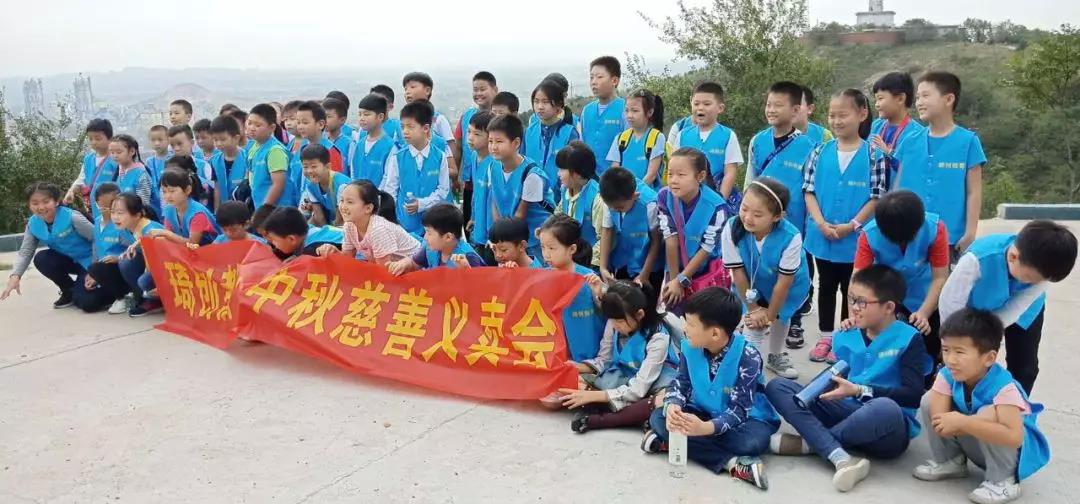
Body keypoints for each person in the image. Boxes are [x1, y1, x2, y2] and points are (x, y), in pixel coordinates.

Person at [766, 265, 931, 493]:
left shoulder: (909, 338)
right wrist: (820, 391)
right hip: (846, 410)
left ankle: (813, 444)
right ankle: (836, 452)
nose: (854, 308)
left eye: (862, 302)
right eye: (852, 299)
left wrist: (860, 390)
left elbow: (912, 395)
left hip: (885, 428)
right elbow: (838, 374)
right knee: (778, 387)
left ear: (888, 307)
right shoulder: (847, 334)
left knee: (886, 408)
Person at [643, 287, 778, 490]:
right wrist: (673, 405)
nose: (685, 328)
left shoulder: (748, 357)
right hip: (702, 410)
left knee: (751, 443)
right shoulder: (689, 346)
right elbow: (681, 382)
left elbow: (740, 409)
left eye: (690, 324)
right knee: (658, 418)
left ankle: (673, 443)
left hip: (746, 419)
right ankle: (732, 463)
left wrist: (704, 428)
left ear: (714, 333)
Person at [914, 308, 1050, 504]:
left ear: (989, 358)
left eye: (960, 352)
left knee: (990, 412)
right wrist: (959, 422)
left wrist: (965, 422)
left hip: (1011, 455)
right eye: (946, 349)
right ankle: (950, 461)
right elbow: (940, 422)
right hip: (979, 443)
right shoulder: (948, 373)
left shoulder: (1004, 387)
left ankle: (1004, 481)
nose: (950, 359)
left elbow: (1014, 437)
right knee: (929, 399)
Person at [939, 220, 1077, 394]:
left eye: (1041, 280)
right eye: (1030, 279)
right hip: (973, 310)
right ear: (1013, 257)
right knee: (970, 360)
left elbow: (1015, 308)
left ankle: (1016, 406)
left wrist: (987, 334)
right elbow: (950, 301)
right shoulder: (977, 259)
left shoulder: (1042, 275)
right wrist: (955, 338)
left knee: (1025, 367)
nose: (1034, 283)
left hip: (1024, 313)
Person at [802, 89, 884, 363]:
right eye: (832, 115)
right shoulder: (819, 151)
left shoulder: (873, 155)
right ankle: (826, 337)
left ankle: (846, 340)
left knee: (854, 289)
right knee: (825, 285)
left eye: (843, 115)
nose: (836, 121)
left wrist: (853, 224)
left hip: (856, 239)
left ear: (862, 114)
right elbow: (809, 191)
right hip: (822, 235)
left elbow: (877, 196)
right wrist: (820, 223)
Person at [746, 81, 819, 350]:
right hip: (759, 223)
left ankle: (794, 321)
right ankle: (760, 316)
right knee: (760, 270)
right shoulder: (758, 141)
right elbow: (751, 179)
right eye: (769, 104)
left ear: (796, 110)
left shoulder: (810, 146)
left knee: (795, 276)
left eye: (778, 105)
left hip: (794, 224)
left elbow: (811, 189)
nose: (771, 110)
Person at [853, 190, 950, 382]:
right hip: (887, 293)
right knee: (881, 340)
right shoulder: (869, 235)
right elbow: (858, 281)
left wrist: (924, 312)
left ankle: (929, 379)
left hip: (926, 292)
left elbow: (940, 277)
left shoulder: (935, 228)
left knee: (928, 341)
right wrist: (856, 316)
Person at [558, 281, 678, 433]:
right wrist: (574, 367)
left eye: (620, 321)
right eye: (611, 320)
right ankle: (634, 413)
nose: (615, 325)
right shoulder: (613, 322)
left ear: (640, 314)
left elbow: (639, 387)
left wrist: (594, 395)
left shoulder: (658, 337)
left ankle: (600, 419)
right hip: (621, 377)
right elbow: (604, 360)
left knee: (664, 400)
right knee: (571, 380)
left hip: (654, 383)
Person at [721, 177, 810, 379]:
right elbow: (738, 272)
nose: (748, 218)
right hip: (751, 282)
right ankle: (749, 367)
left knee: (781, 317)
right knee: (752, 325)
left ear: (777, 216)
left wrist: (768, 317)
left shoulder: (791, 237)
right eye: (744, 208)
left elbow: (783, 284)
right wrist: (754, 310)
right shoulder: (732, 228)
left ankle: (775, 355)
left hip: (786, 286)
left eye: (758, 214)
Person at [894, 71, 985, 258]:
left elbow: (974, 192)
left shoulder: (968, 142)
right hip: (909, 236)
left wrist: (970, 233)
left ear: (948, 99)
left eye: (925, 96)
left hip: (950, 239)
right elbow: (896, 189)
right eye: (917, 97)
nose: (919, 102)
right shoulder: (909, 142)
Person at [3, 183, 95, 309]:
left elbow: (97, 240)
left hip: (91, 261)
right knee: (42, 258)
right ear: (29, 205)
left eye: (46, 202)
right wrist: (15, 276)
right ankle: (69, 290)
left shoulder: (73, 217)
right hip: (69, 261)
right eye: (35, 203)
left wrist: (95, 270)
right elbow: (26, 251)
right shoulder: (33, 224)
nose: (41, 207)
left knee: (88, 303)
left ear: (56, 202)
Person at [658, 148, 728, 311]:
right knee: (672, 312)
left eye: (681, 175)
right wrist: (674, 281)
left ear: (700, 176)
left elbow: (707, 248)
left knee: (703, 316)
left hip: (705, 271)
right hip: (674, 267)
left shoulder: (717, 206)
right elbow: (670, 239)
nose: (673, 180)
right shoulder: (664, 197)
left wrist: (682, 280)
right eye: (670, 174)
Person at [484, 114, 555, 259]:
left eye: (499, 141)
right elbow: (495, 202)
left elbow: (520, 215)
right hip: (510, 237)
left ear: (516, 143)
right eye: (490, 141)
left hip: (535, 240)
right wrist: (498, 235)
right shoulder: (492, 167)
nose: (493, 147)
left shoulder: (531, 175)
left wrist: (503, 239)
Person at [539, 214, 605, 362]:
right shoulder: (542, 277)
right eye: (542, 247)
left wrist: (599, 296)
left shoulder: (589, 279)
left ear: (572, 249)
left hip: (587, 358)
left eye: (552, 248)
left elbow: (608, 315)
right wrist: (512, 273)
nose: (546, 254)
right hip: (555, 356)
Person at [381, 100, 452, 235]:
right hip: (404, 225)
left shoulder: (439, 156)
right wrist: (391, 220)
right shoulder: (397, 157)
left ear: (425, 128)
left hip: (433, 226)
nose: (405, 132)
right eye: (402, 127)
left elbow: (443, 190)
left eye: (410, 127)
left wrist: (422, 204)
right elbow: (391, 190)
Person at [670, 82, 743, 203]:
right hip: (685, 199)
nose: (700, 108)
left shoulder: (728, 135)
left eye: (707, 104)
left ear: (720, 108)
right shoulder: (682, 135)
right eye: (696, 103)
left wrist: (720, 201)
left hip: (714, 198)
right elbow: (673, 168)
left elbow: (730, 172)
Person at [318, 181, 421, 264]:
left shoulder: (378, 229)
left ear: (368, 208)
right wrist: (333, 252)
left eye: (350, 202)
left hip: (418, 269)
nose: (343, 206)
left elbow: (383, 272)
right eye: (341, 200)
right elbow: (348, 261)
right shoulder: (349, 225)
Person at [598, 166, 662, 290]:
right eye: (611, 207)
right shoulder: (610, 199)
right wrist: (603, 267)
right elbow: (607, 230)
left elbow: (656, 241)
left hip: (648, 266)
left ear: (635, 196)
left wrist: (644, 274)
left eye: (619, 208)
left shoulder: (650, 205)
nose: (614, 210)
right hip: (623, 261)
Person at [388, 203, 485, 274]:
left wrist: (466, 270)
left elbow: (480, 287)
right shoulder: (430, 248)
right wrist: (403, 264)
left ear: (448, 237)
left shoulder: (469, 257)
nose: (425, 237)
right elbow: (414, 263)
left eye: (429, 233)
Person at [112, 192, 166, 316]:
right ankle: (148, 300)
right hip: (150, 263)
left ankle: (159, 298)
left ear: (137, 215)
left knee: (143, 282)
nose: (115, 217)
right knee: (125, 261)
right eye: (113, 212)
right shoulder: (125, 228)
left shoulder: (150, 230)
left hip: (165, 266)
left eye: (120, 213)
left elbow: (163, 257)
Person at [524, 79, 581, 196]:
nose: (540, 107)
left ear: (559, 105)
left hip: (560, 197)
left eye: (545, 102)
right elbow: (522, 163)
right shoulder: (529, 131)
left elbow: (573, 169)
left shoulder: (569, 133)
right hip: (531, 197)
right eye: (536, 101)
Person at [83, 183, 132, 314]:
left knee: (97, 268)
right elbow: (95, 247)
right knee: (86, 303)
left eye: (113, 206)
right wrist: (93, 275)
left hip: (121, 268)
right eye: (104, 206)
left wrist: (118, 258)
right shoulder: (97, 222)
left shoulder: (124, 223)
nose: (110, 210)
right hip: (102, 271)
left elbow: (135, 249)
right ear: (97, 203)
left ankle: (123, 297)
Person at [870, 71, 923, 188]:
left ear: (900, 99)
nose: (877, 104)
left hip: (900, 195)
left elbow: (914, 171)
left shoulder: (917, 133)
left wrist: (888, 152)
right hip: (873, 195)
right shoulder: (875, 126)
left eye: (880, 99)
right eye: (876, 100)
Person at [555, 142, 604, 268]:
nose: (558, 174)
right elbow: (557, 218)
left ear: (576, 173)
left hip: (590, 267)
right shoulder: (565, 191)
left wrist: (589, 264)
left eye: (562, 169)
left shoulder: (597, 198)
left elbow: (605, 238)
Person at [608, 88, 667, 188]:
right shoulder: (620, 138)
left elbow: (651, 175)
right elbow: (614, 171)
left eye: (635, 111)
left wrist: (633, 192)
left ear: (650, 112)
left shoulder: (657, 137)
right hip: (624, 194)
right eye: (627, 110)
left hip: (647, 195)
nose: (629, 115)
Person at [455, 71, 498, 200]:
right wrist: (455, 177)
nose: (478, 93)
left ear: (495, 90)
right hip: (470, 180)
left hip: (494, 181)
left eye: (483, 89)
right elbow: (458, 148)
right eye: (475, 90)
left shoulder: (500, 118)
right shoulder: (466, 116)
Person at [246, 103, 298, 207]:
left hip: (277, 209)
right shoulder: (253, 147)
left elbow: (278, 184)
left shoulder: (275, 151)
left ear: (272, 127)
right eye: (249, 123)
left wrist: (265, 208)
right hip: (260, 205)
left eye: (258, 125)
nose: (251, 128)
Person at [581, 56, 627, 173]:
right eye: (591, 77)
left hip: (616, 177)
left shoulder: (626, 109)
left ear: (614, 81)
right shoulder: (587, 110)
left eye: (599, 77)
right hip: (590, 177)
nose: (594, 82)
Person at [64, 118, 117, 219]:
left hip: (112, 207)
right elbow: (81, 178)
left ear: (110, 138)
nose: (94, 142)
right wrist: (71, 191)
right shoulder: (88, 158)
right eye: (90, 139)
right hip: (92, 206)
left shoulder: (116, 159)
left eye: (98, 139)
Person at [154, 168, 221, 247]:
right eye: (164, 191)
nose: (167, 196)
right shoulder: (168, 209)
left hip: (210, 250)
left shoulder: (197, 213)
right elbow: (168, 237)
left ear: (188, 190)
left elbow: (193, 244)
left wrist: (167, 234)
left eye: (172, 191)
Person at [349, 94, 396, 187]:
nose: (362, 118)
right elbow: (353, 172)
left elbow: (388, 178)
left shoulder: (390, 146)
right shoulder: (359, 144)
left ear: (380, 117)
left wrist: (378, 194)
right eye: (360, 114)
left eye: (366, 114)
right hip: (357, 193)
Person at [464, 111, 496, 248]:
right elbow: (476, 193)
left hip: (492, 232)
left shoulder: (495, 163)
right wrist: (473, 217)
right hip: (478, 225)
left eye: (477, 134)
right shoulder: (474, 156)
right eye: (469, 132)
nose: (470, 137)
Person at [300, 144, 351, 226]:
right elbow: (319, 217)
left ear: (328, 167)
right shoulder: (310, 186)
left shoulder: (342, 185)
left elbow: (340, 220)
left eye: (313, 166)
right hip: (332, 224)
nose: (309, 171)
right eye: (305, 167)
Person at [208, 115, 248, 209]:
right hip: (225, 210)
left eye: (223, 139)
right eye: (215, 140)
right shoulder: (214, 161)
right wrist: (217, 210)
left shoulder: (248, 159)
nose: (218, 143)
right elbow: (217, 188)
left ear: (236, 138)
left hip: (244, 209)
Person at [109, 134, 156, 212]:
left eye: (119, 152)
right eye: (112, 152)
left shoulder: (141, 174)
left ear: (132, 151)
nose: (115, 155)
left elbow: (143, 204)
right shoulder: (119, 171)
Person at [167, 125, 212, 202]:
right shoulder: (168, 167)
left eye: (179, 144)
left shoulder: (204, 166)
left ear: (192, 143)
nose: (176, 148)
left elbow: (213, 190)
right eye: (172, 145)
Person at [322, 97, 354, 174]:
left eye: (328, 116)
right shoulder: (320, 141)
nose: (324, 120)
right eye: (322, 116)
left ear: (342, 120)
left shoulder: (349, 144)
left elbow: (353, 171)